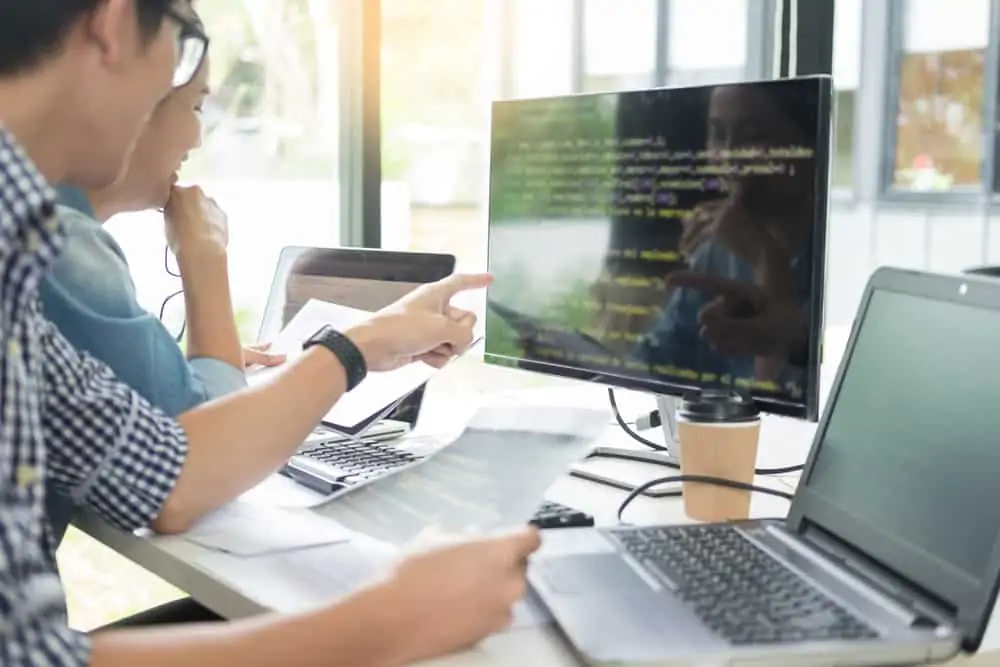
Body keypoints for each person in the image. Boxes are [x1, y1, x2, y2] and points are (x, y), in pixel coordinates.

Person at [0, 2, 538, 666]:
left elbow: (168, 475)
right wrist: (384, 624)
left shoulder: (18, 254)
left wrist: (365, 342)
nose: (190, 123)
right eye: (187, 47)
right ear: (111, 25)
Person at [42, 19, 285, 547]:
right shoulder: (61, 244)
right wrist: (205, 260)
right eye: (194, 105)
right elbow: (201, 460)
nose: (199, 136)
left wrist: (203, 363)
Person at [636, 81, 818, 393]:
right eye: (718, 134)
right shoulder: (717, 250)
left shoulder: (828, 266)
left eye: (752, 137)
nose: (729, 156)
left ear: (810, 147)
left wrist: (767, 259)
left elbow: (776, 405)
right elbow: (652, 368)